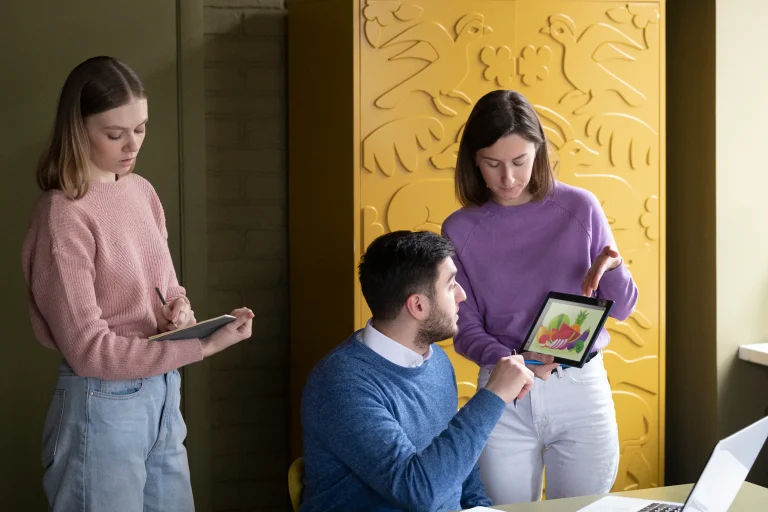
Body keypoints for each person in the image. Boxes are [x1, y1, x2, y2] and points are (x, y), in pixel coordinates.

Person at [21, 56, 254, 511]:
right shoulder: (63, 214)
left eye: (141, 129)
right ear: (77, 130)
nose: (132, 145)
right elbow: (89, 351)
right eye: (115, 134)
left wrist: (179, 312)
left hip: (162, 395)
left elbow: (168, 287)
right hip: (102, 403)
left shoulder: (141, 191)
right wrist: (201, 346)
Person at [441, 89, 639, 503]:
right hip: (503, 390)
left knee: (583, 511)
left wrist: (614, 269)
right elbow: (466, 329)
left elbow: (622, 307)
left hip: (579, 389)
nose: (508, 178)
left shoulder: (580, 207)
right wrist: (517, 363)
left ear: (539, 152)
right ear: (473, 160)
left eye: (519, 161)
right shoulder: (459, 228)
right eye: (492, 163)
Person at [300, 230, 535, 511]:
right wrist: (493, 395)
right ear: (418, 305)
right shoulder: (341, 384)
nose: (462, 295)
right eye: (451, 285)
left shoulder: (436, 361)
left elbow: (460, 463)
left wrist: (479, 507)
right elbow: (417, 491)